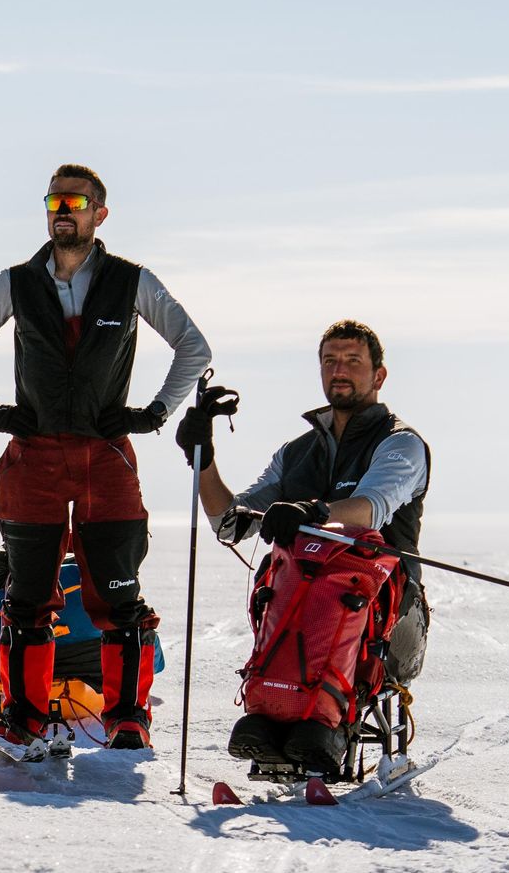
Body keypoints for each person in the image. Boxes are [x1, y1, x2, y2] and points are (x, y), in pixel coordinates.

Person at [0, 163, 214, 751]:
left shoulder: (130, 281)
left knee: (117, 596)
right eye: (55, 200)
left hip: (104, 459)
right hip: (32, 460)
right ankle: (23, 716)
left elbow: (195, 346)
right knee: (29, 596)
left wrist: (156, 411)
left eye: (76, 201)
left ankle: (128, 717)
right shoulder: (14, 283)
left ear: (100, 213)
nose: (64, 210)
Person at [179, 318, 431, 772]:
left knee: (332, 599)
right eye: (330, 360)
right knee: (288, 589)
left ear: (379, 376)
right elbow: (230, 524)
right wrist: (204, 460)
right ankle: (273, 720)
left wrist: (313, 512)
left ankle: (322, 731)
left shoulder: (400, 445)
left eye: (353, 361)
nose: (340, 370)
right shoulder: (295, 452)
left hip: (389, 616)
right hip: (301, 605)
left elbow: (372, 508)